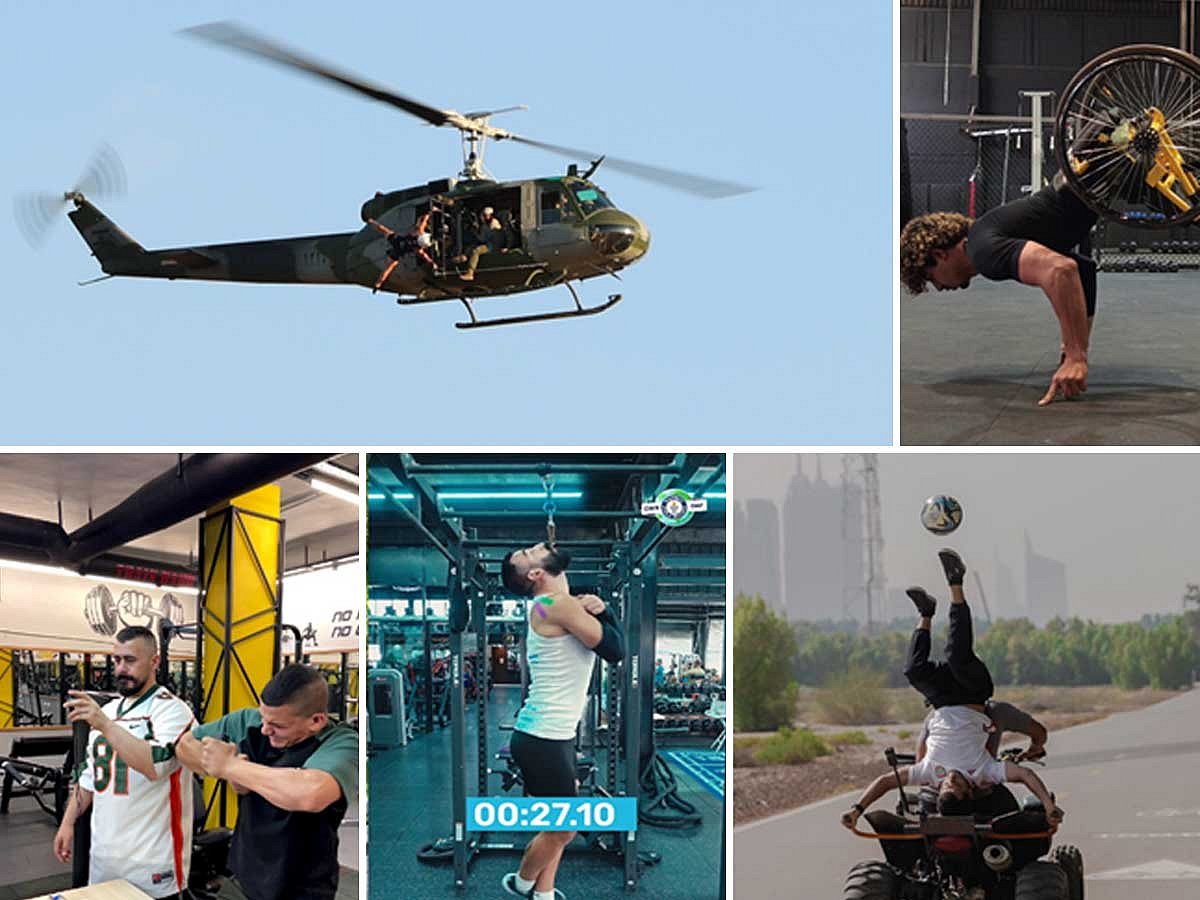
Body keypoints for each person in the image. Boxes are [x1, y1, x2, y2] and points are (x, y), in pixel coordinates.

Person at [840, 550, 1064, 831]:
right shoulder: (983, 772)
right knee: (957, 655)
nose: (951, 779)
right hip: (973, 694)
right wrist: (1049, 805)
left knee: (913, 671)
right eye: (956, 784)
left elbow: (887, 780)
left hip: (942, 700)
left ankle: (926, 614)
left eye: (947, 783)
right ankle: (956, 582)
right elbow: (1025, 775)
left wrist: (857, 809)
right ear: (969, 790)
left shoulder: (929, 773)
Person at [899, 172, 1097, 406]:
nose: (940, 288)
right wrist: (1075, 347)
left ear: (940, 255)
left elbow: (1060, 270)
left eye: (932, 279)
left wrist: (1076, 356)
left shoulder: (983, 253)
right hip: (1095, 180)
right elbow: (1083, 270)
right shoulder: (985, 235)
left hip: (1098, 175)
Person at [498, 542, 626, 900]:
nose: (538, 545)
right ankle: (521, 882)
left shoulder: (548, 605)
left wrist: (598, 609)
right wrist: (607, 612)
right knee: (565, 829)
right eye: (528, 551)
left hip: (552, 736)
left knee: (554, 822)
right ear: (536, 573)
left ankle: (545, 893)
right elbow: (616, 650)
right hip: (544, 739)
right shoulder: (556, 604)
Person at [175, 664, 358, 900]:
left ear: (316, 721)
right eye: (263, 718)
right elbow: (184, 745)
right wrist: (232, 772)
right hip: (242, 879)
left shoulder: (342, 741)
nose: (265, 730)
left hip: (303, 888)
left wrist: (233, 767)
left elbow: (309, 794)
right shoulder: (248, 721)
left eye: (278, 726)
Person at [54, 626, 195, 899]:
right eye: (117, 660)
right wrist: (68, 822)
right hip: (104, 857)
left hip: (152, 861)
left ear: (154, 661)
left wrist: (104, 726)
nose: (120, 669)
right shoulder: (106, 712)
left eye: (130, 660)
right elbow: (88, 778)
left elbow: (156, 766)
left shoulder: (171, 710)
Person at [460, 206, 504, 281]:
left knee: (476, 250)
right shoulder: (487, 224)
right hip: (490, 244)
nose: (483, 217)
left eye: (484, 215)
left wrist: (475, 232)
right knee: (471, 247)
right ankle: (463, 258)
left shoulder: (493, 224)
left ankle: (470, 273)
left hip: (492, 246)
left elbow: (483, 238)